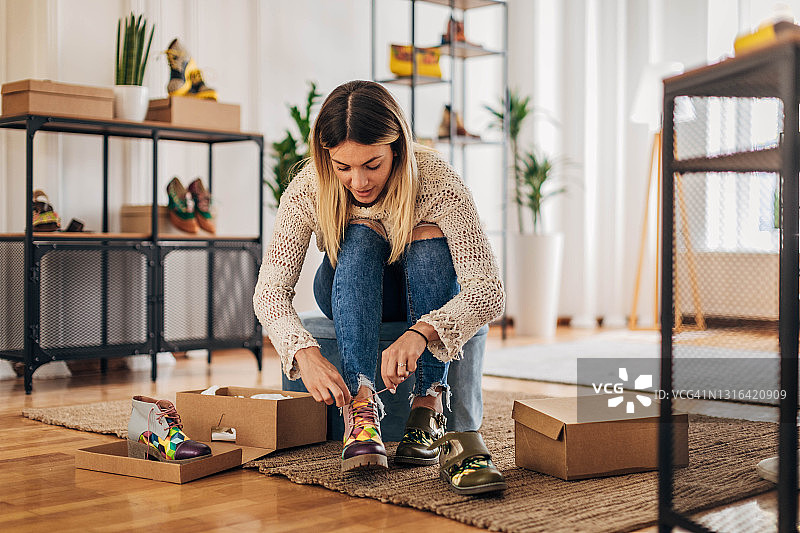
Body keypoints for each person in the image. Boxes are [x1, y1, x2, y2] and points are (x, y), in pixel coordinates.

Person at [253, 80, 505, 474]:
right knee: (360, 233)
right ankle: (361, 403)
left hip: (422, 287)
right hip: (344, 279)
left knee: (427, 237)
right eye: (343, 168)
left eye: (373, 165)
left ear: (397, 150)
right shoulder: (307, 188)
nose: (359, 181)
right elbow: (269, 292)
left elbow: (488, 291)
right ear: (326, 159)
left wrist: (421, 331)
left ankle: (429, 403)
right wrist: (303, 352)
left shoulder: (437, 180)